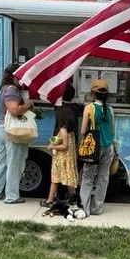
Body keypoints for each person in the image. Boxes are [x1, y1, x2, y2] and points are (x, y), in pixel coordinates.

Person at [0, 62, 30, 207]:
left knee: (1, 163)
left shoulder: (4, 89)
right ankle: (12, 196)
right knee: (14, 163)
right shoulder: (12, 90)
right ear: (14, 76)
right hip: (10, 130)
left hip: (1, 128)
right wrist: (28, 105)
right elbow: (14, 110)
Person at [79, 80, 118, 215]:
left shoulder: (89, 108)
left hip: (93, 148)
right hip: (108, 148)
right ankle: (97, 208)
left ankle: (85, 208)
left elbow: (83, 131)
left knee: (88, 177)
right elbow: (112, 131)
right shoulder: (110, 110)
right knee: (103, 178)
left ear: (92, 93)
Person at [45, 82, 82, 213]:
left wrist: (51, 146)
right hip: (71, 149)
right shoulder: (76, 108)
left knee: (56, 177)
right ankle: (75, 198)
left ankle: (50, 200)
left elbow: (63, 145)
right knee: (69, 176)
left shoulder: (59, 110)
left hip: (61, 151)